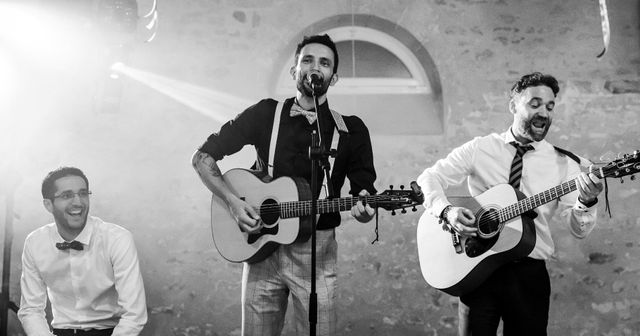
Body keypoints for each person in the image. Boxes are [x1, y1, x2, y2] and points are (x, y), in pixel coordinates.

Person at [191, 33, 377, 336]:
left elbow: (363, 194)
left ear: (334, 77)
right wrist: (234, 204)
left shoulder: (352, 130)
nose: (315, 68)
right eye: (307, 60)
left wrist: (366, 209)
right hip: (262, 250)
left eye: (324, 63)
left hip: (317, 252)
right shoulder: (265, 113)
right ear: (294, 71)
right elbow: (202, 157)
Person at [417, 72, 603, 336]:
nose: (544, 113)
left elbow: (579, 230)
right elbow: (428, 177)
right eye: (535, 104)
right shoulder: (481, 148)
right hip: (478, 268)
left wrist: (587, 199)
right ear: (513, 106)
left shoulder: (566, 164)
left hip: (529, 276)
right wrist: (446, 211)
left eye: (550, 107)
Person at [18, 166, 147, 336]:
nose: (78, 202)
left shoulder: (117, 239)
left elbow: (134, 315)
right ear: (48, 205)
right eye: (67, 195)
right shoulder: (35, 242)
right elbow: (30, 310)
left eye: (83, 193)